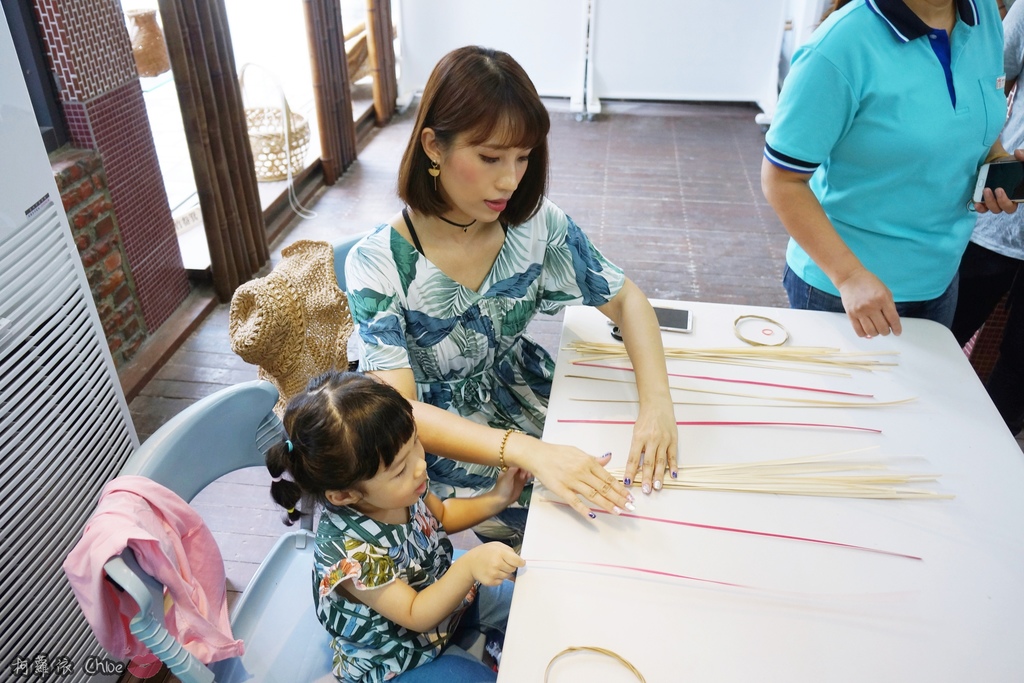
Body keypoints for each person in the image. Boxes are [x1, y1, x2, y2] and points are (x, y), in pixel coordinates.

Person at [344, 46, 677, 544]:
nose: (510, 179)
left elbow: (627, 300)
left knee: (640, 492)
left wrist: (657, 405)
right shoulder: (377, 263)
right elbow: (401, 410)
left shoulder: (535, 223)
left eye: (523, 157)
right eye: (490, 157)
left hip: (529, 395)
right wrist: (527, 451)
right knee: (583, 535)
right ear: (433, 147)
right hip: (444, 441)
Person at [762, 0, 1019, 339]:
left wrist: (996, 163)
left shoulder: (983, 13)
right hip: (845, 292)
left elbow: (973, 126)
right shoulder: (839, 47)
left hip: (939, 281)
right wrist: (849, 276)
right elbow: (782, 179)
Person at [266, 371, 530, 682]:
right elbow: (415, 614)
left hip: (443, 598)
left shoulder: (403, 486)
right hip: (400, 656)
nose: (420, 465)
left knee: (529, 600)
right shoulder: (350, 556)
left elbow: (442, 514)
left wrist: (498, 497)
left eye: (416, 442)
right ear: (344, 495)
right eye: (400, 467)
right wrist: (470, 565)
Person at [952, 0, 1024, 436]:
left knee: (1020, 368)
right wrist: (994, 149)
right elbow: (986, 79)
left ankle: (985, 455)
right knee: (934, 338)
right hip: (1001, 217)